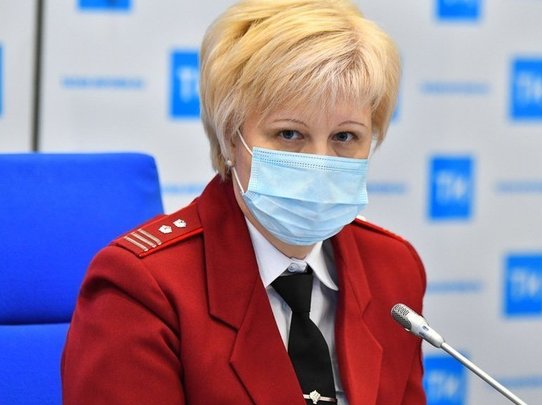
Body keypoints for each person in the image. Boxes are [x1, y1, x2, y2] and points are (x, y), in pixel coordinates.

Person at [61, 0, 427, 403]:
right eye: (289, 134)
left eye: (345, 137)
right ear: (230, 138)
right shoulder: (144, 287)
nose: (320, 163)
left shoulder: (393, 269)